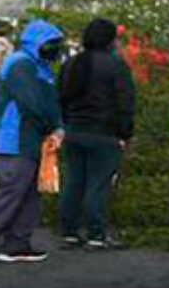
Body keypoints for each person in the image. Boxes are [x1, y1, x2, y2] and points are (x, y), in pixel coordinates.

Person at [0, 20, 66, 264]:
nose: (55, 49)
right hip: (13, 142)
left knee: (28, 195)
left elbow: (48, 105)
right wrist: (54, 127)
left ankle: (17, 244)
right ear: (38, 43)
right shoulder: (21, 65)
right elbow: (32, 104)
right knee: (12, 194)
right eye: (51, 44)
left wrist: (57, 128)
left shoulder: (36, 66)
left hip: (31, 141)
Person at [56, 18, 136, 248]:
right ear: (111, 40)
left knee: (74, 183)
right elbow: (125, 103)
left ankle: (69, 232)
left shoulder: (72, 64)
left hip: (74, 131)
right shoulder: (116, 65)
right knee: (98, 185)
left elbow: (60, 97)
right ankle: (96, 234)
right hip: (104, 133)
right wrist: (125, 133)